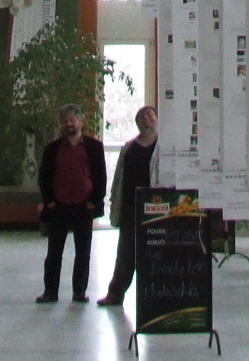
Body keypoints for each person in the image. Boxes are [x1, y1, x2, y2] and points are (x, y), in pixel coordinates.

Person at [34, 102, 109, 303]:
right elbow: (44, 177)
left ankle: (79, 292)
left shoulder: (94, 147)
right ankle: (50, 292)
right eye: (65, 121)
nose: (69, 124)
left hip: (84, 206)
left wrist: (94, 201)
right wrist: (49, 201)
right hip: (59, 206)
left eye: (72, 120)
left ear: (80, 122)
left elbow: (101, 176)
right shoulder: (52, 149)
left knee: (83, 252)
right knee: (54, 252)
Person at [98, 104, 159, 307]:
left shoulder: (164, 147)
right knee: (125, 253)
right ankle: (115, 294)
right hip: (131, 207)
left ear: (157, 119)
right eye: (142, 116)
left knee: (155, 253)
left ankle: (156, 295)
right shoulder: (129, 148)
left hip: (156, 207)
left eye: (150, 114)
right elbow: (119, 178)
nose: (146, 118)